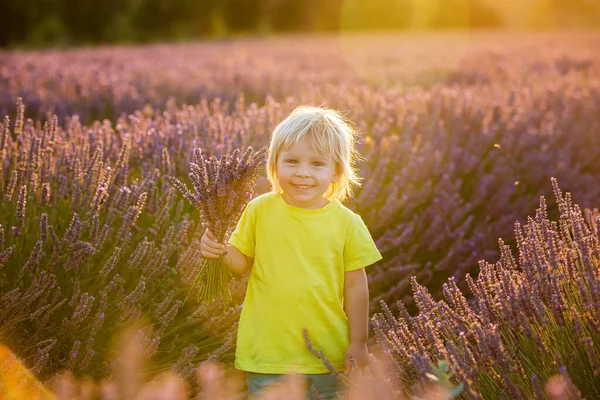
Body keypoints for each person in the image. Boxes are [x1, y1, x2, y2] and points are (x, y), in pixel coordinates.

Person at [200, 105, 382, 399]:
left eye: (317, 164)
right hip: (267, 352)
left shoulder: (347, 223)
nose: (303, 173)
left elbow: (356, 286)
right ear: (275, 164)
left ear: (336, 171)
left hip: (326, 355)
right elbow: (240, 262)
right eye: (292, 161)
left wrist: (358, 341)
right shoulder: (260, 209)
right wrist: (217, 248)